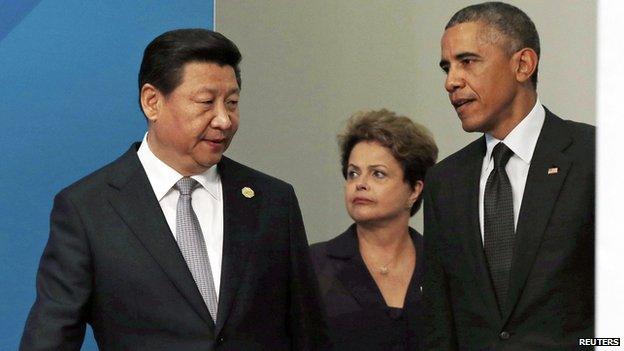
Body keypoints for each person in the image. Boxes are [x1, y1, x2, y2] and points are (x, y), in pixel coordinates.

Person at [20, 28, 328, 350]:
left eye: (232, 103)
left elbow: (309, 333)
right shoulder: (88, 209)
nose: (224, 119)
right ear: (152, 101)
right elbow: (50, 338)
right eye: (206, 102)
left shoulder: (272, 201)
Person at [423, 2, 595, 349]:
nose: (451, 82)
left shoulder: (596, 156)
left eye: (467, 61)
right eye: (447, 67)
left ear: (523, 64)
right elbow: (441, 321)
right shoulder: (445, 182)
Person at [310, 109, 438, 350]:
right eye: (353, 173)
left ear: (414, 190)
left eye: (377, 174)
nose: (360, 184)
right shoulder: (314, 266)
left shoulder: (441, 264)